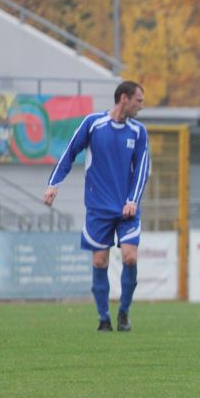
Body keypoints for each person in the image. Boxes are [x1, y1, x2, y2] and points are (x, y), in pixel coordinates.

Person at [43, 81, 150, 332]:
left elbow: (142, 171)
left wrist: (132, 200)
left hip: (127, 209)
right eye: (139, 100)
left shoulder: (138, 131)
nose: (141, 106)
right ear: (124, 98)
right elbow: (69, 152)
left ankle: (124, 312)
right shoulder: (93, 124)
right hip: (98, 208)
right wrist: (53, 184)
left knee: (130, 258)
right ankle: (104, 318)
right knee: (100, 262)